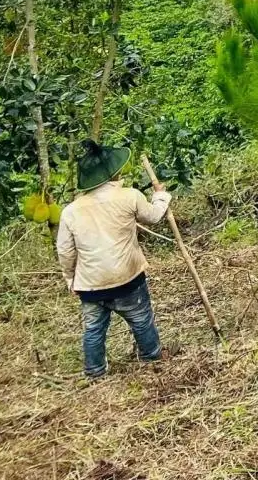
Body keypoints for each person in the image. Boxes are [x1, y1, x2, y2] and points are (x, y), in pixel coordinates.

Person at [55, 140, 171, 379]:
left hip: (91, 284)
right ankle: (151, 358)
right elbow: (154, 216)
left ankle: (95, 372)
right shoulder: (130, 196)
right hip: (127, 277)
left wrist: (70, 278)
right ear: (113, 172)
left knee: (94, 330)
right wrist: (161, 196)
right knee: (141, 320)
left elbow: (65, 251)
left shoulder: (70, 211)